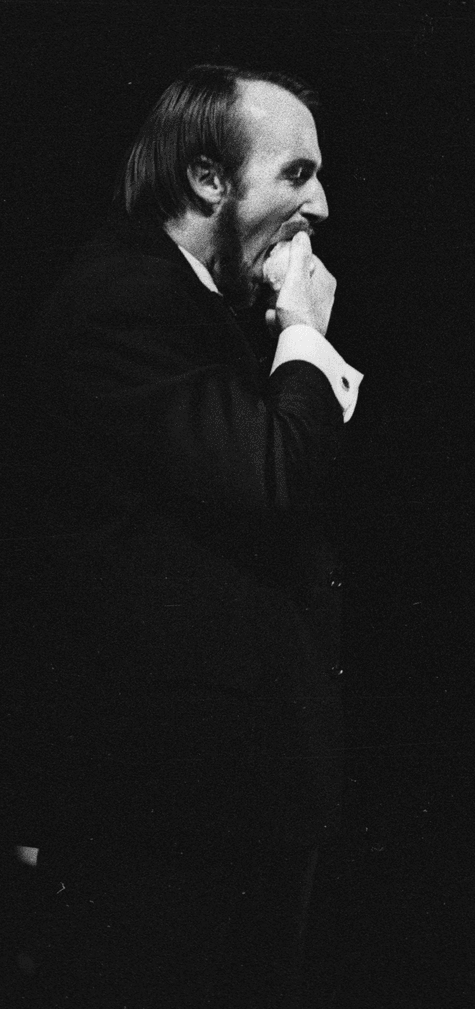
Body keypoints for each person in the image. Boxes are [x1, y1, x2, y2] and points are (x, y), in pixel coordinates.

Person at [1, 65, 360, 1005]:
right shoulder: (124, 298)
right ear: (208, 177)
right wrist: (306, 333)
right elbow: (275, 477)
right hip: (169, 820)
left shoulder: (188, 303)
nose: (320, 204)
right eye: (296, 174)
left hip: (220, 809)